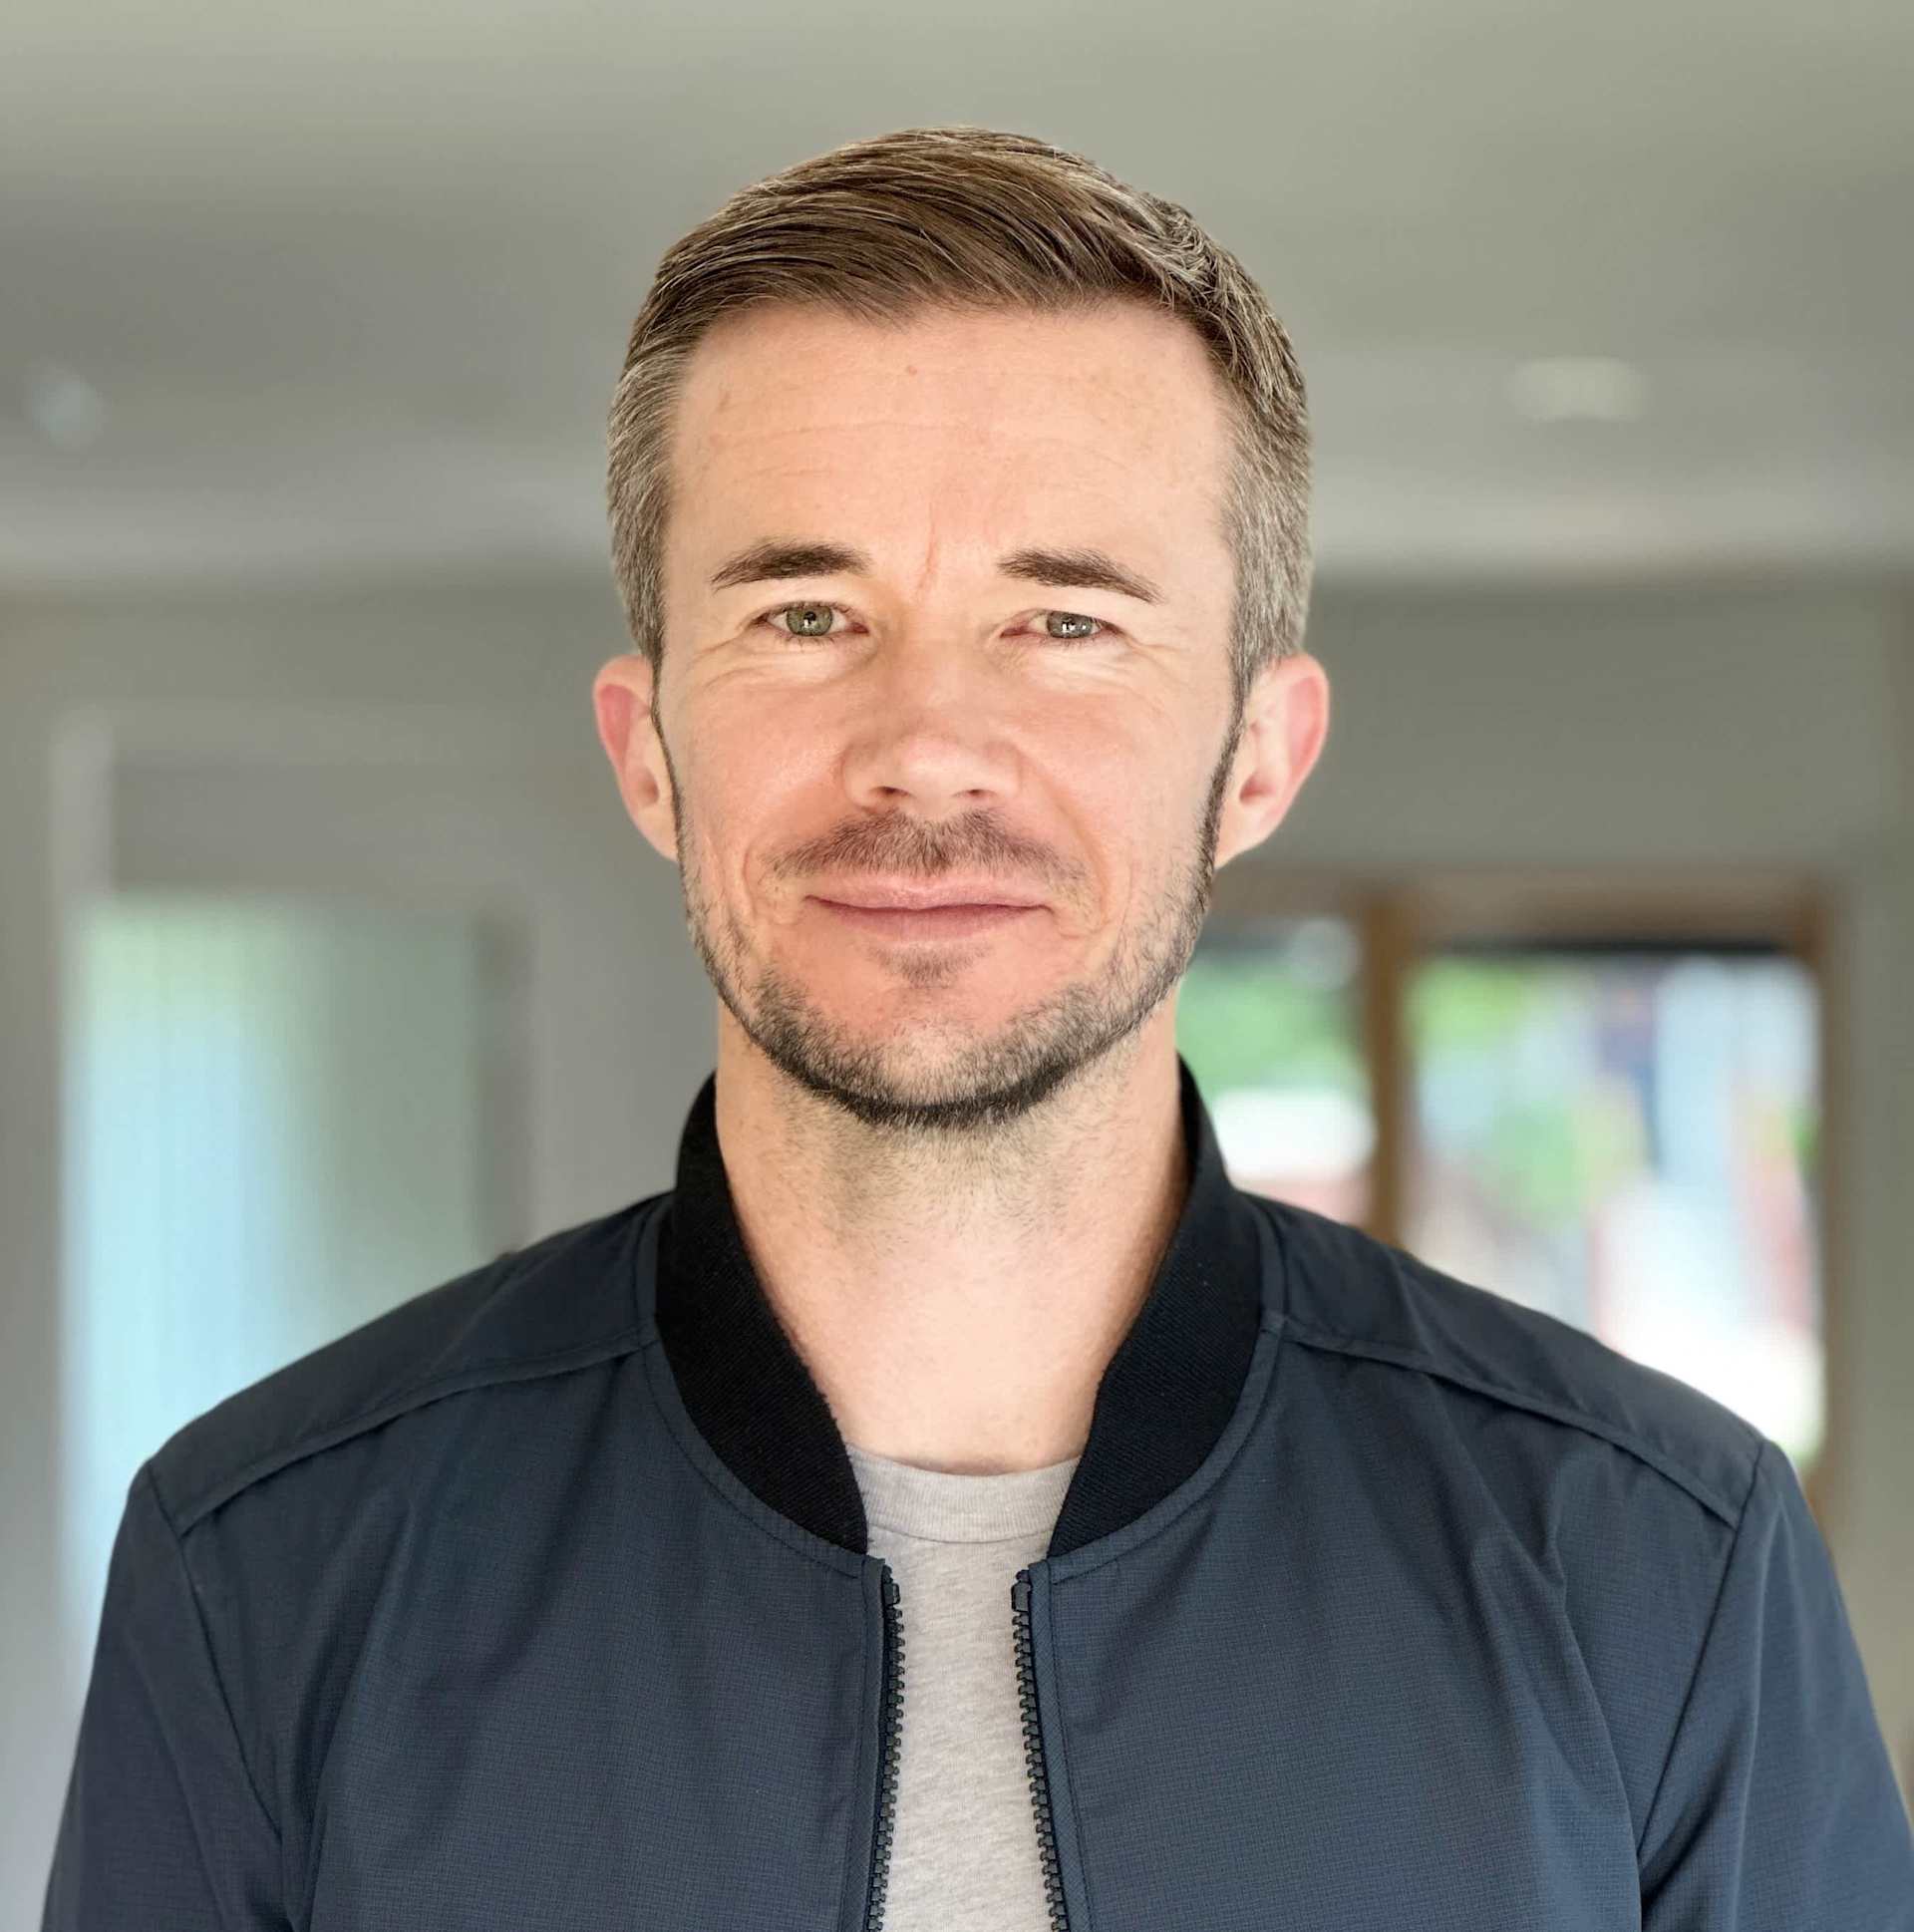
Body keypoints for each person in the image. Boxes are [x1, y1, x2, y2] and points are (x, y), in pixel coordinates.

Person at [43, 127, 1914, 1932]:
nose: (927, 748)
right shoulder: (266, 1570)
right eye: (806, 613)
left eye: (1067, 623)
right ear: (648, 750)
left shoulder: (1660, 1571)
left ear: (1259, 756)